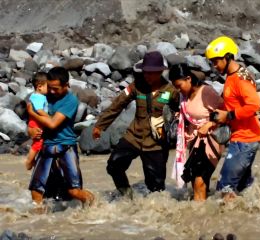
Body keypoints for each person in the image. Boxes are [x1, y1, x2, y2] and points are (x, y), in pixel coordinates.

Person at [92, 51, 179, 197]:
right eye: (145, 72)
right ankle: (127, 197)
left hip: (156, 142)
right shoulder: (136, 86)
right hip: (133, 136)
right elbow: (117, 105)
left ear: (160, 71)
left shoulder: (171, 91)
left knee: (156, 188)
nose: (147, 75)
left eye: (151, 73)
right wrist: (100, 125)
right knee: (114, 165)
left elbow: (180, 113)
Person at [205, 36, 260, 201]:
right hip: (242, 136)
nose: (214, 66)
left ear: (228, 57)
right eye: (212, 62)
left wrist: (229, 115)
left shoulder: (240, 79)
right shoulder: (232, 75)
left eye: (216, 61)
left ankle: (226, 224)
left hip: (246, 139)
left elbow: (255, 106)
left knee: (225, 187)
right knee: (246, 188)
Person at [27, 67, 94, 205]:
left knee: (74, 191)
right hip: (46, 147)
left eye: (56, 88)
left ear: (66, 85)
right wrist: (30, 130)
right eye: (50, 87)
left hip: (66, 147)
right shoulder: (44, 96)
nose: (52, 91)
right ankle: (38, 223)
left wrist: (33, 113)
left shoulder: (71, 101)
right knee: (36, 191)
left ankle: (96, 207)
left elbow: (52, 124)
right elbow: (32, 122)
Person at [168, 63, 224, 201]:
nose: (178, 89)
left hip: (210, 143)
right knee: (195, 182)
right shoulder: (184, 96)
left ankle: (200, 217)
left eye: (179, 85)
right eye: (175, 86)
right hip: (194, 144)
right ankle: (202, 212)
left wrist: (209, 124)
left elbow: (225, 114)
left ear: (188, 79)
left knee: (199, 181)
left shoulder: (207, 92)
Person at [25, 72, 48, 170]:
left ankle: (33, 160)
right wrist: (49, 117)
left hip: (33, 121)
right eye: (48, 86)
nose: (50, 89)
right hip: (36, 122)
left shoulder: (34, 95)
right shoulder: (39, 97)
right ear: (39, 87)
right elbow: (39, 110)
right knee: (37, 143)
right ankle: (29, 160)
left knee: (37, 142)